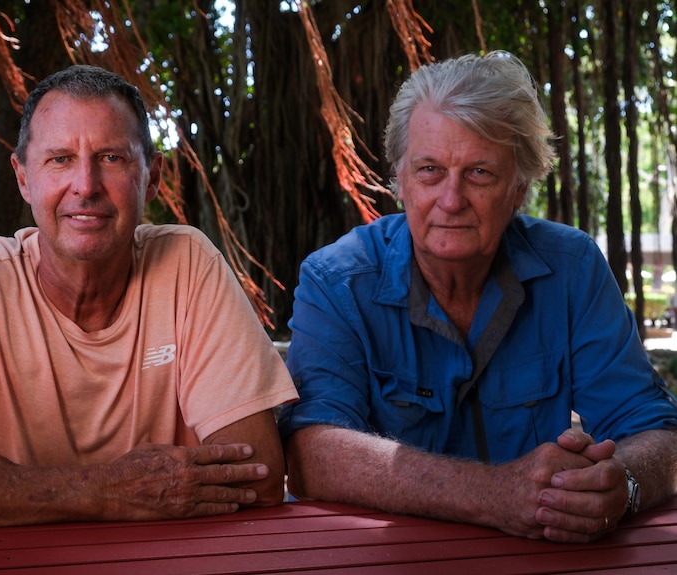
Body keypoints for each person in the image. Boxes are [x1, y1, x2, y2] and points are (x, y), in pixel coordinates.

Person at [0, 65, 298, 528]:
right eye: (60, 159)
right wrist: (101, 490)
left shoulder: (187, 265)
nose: (86, 186)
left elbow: (257, 477)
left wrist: (6, 485)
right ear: (23, 178)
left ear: (152, 176)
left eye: (111, 158)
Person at [277, 51, 677, 544]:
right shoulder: (337, 281)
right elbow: (310, 455)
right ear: (400, 180)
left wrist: (624, 485)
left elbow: (655, 428)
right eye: (429, 170)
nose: (451, 200)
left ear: (519, 188)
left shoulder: (571, 268)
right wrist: (492, 494)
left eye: (480, 173)